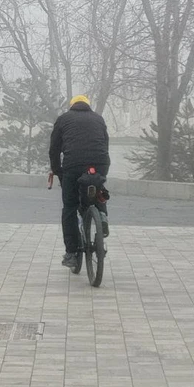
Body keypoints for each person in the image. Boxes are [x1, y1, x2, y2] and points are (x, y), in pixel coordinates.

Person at [49, 95, 111, 267]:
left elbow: (54, 149)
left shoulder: (63, 119)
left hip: (74, 165)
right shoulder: (98, 119)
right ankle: (102, 216)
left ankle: (71, 253)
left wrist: (58, 171)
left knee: (70, 206)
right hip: (100, 161)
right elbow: (105, 145)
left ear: (72, 106)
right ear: (88, 106)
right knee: (98, 187)